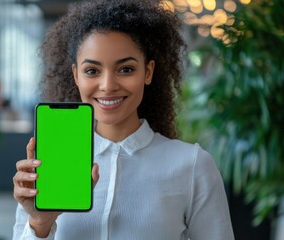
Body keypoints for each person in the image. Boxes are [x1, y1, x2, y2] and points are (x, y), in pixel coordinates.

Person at [12, 0, 234, 239]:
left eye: (125, 69)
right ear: (76, 75)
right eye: (92, 71)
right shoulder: (51, 164)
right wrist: (39, 224)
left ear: (147, 72)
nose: (108, 86)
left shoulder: (192, 166)